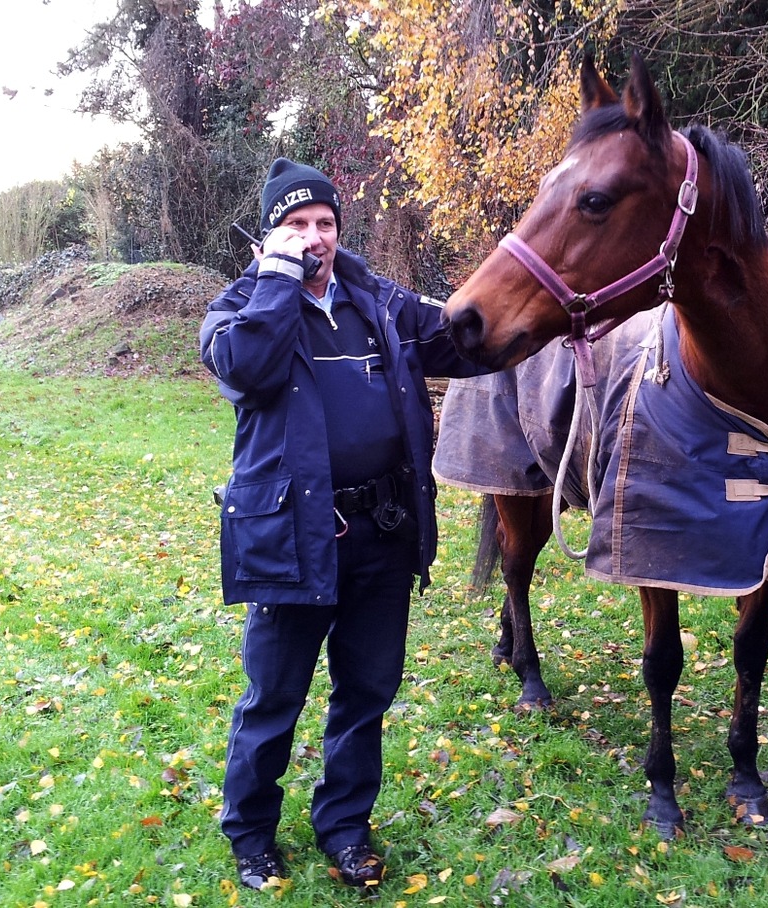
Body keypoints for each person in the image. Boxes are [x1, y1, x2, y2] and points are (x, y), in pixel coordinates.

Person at [199, 158, 488, 893]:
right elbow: (247, 368)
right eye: (295, 226)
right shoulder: (238, 307)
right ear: (269, 236)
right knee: (273, 699)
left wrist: (536, 298)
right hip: (292, 540)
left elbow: (461, 340)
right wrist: (277, 280)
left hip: (381, 536)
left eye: (324, 223)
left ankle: (345, 827)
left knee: (366, 693)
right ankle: (252, 834)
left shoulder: (377, 301)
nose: (313, 237)